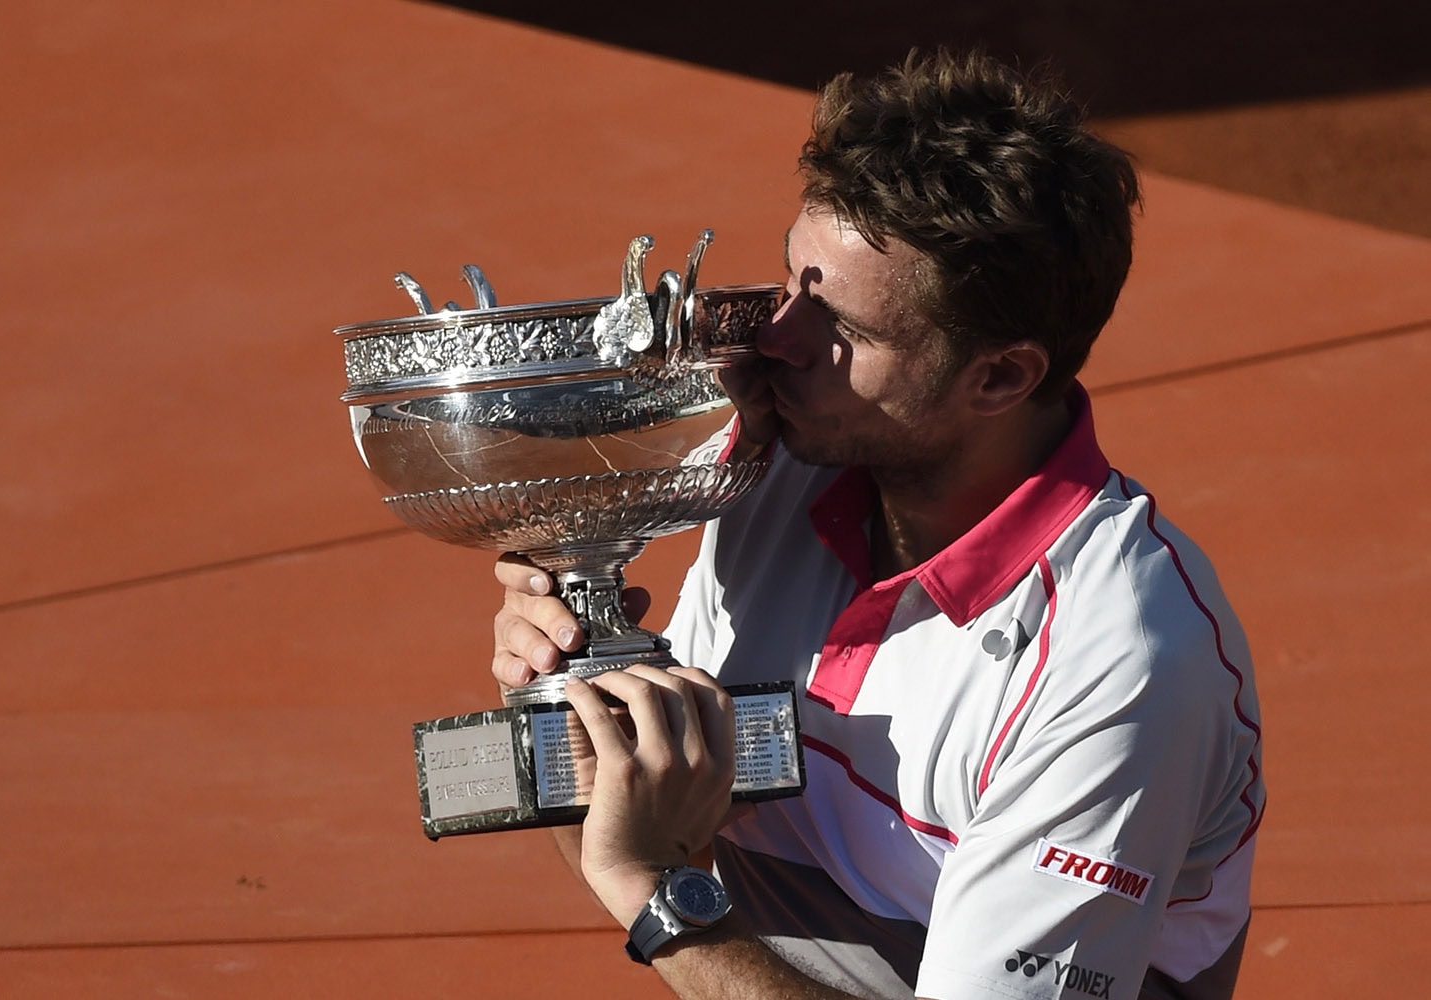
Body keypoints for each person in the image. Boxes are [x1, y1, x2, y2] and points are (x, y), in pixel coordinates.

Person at [491, 48, 1264, 1000]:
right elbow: (657, 828)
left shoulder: (1122, 661)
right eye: (791, 279)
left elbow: (656, 874)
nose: (776, 340)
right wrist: (581, 673)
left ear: (1000, 377)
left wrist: (650, 890)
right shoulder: (775, 462)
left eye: (843, 332)